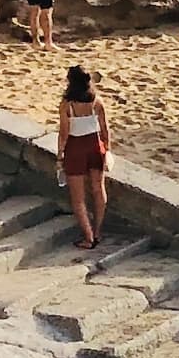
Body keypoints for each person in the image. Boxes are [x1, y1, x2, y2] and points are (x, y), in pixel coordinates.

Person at [53, 67, 114, 248]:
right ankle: (97, 231)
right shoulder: (96, 101)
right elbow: (105, 129)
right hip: (95, 146)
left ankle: (88, 238)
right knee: (98, 189)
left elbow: (64, 133)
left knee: (78, 198)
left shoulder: (67, 104)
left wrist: (59, 156)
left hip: (75, 148)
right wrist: (107, 149)